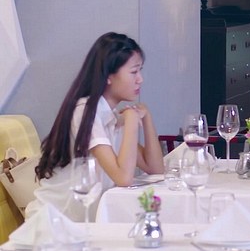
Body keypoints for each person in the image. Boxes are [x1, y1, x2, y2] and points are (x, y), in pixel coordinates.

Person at [30, 32, 164, 221]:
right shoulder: (86, 112)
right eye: (134, 72)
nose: (140, 79)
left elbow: (156, 169)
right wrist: (132, 122)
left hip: (84, 222)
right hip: (54, 222)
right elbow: (123, 178)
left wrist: (147, 117)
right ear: (108, 76)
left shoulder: (112, 115)